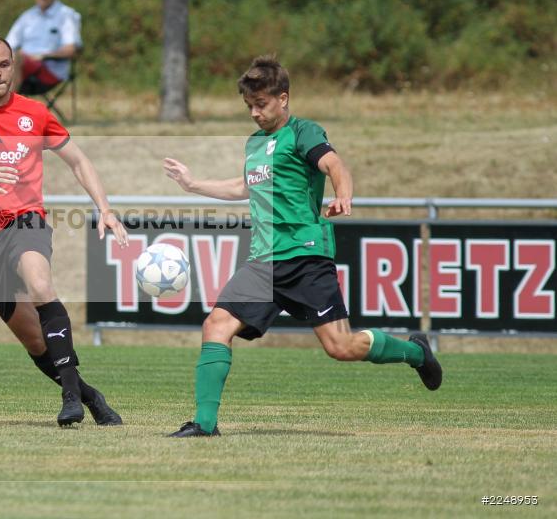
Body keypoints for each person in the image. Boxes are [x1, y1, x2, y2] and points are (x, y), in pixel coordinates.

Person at [162, 55, 443, 438]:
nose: (254, 114)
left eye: (260, 105)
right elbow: (245, 187)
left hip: (306, 255)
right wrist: (193, 185)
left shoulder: (303, 132)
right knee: (216, 324)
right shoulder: (255, 144)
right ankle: (204, 424)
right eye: (249, 107)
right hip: (263, 261)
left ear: (283, 98)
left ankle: (415, 352)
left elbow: (335, 166)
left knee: (341, 347)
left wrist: (344, 195)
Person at [0, 34, 125, 427]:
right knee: (34, 341)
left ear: (13, 66)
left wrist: (105, 208)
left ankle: (71, 401)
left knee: (41, 286)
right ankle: (89, 394)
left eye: (4, 64)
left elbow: (79, 161)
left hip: (24, 220)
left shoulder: (34, 113)